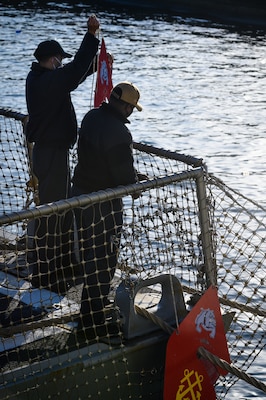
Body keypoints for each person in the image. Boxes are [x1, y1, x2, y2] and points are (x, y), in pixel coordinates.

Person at [25, 15, 100, 293]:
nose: (61, 63)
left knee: (61, 209)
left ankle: (63, 263)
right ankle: (44, 273)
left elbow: (72, 76)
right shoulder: (45, 81)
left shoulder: (42, 78)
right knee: (51, 213)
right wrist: (91, 37)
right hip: (50, 155)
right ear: (53, 59)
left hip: (53, 153)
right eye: (60, 59)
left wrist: (95, 66)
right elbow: (71, 73)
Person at [72, 82, 143, 332]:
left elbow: (100, 160)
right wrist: (135, 185)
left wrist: (133, 176)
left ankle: (87, 313)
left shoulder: (92, 116)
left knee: (89, 254)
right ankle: (92, 320)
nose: (131, 113)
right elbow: (124, 177)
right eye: (131, 108)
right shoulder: (120, 133)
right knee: (104, 260)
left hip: (80, 196)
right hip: (104, 205)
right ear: (125, 107)